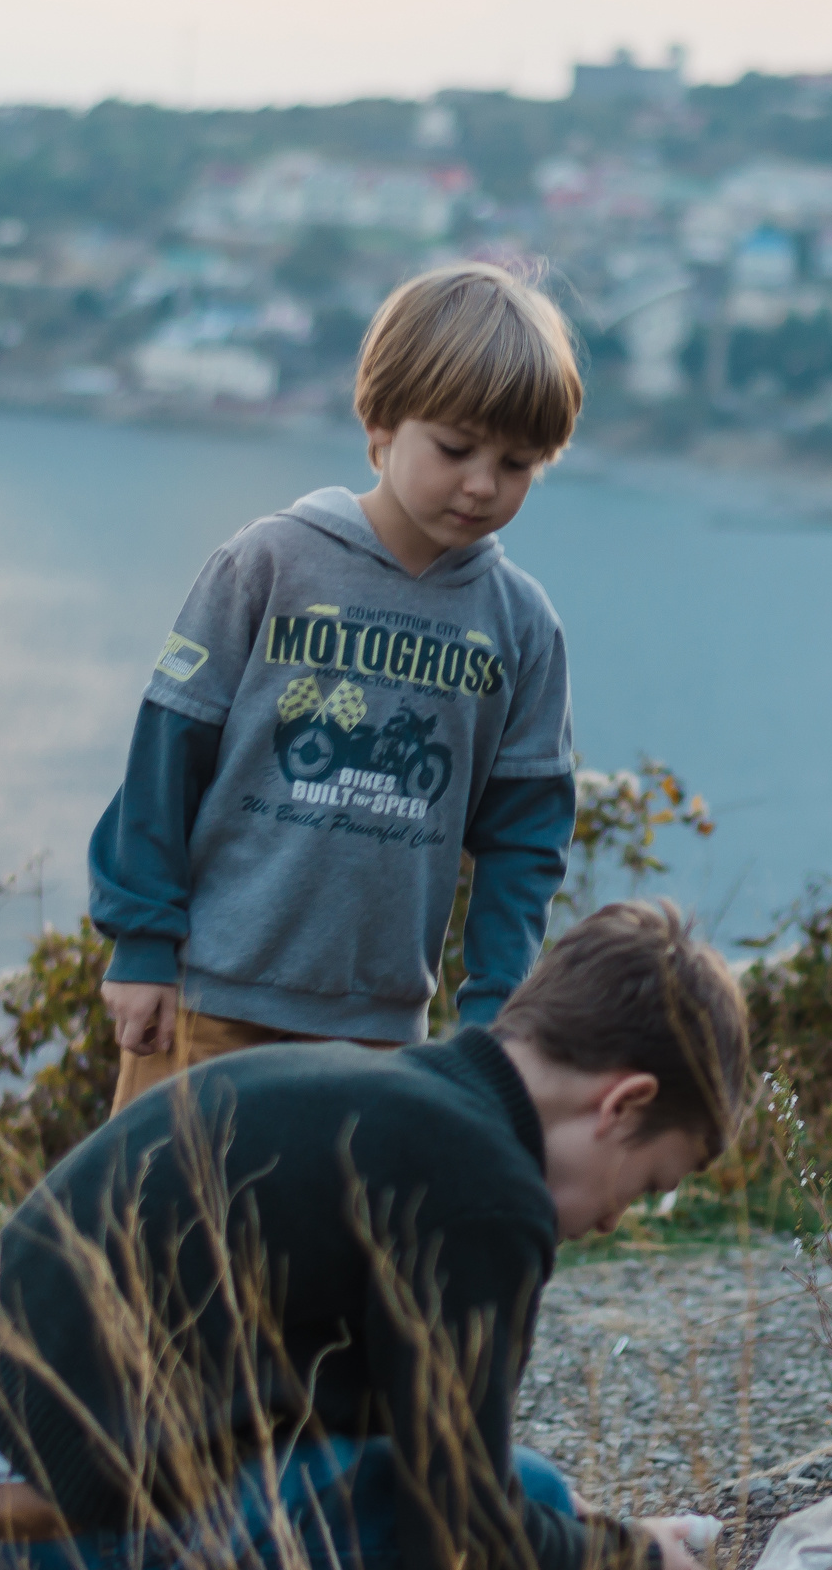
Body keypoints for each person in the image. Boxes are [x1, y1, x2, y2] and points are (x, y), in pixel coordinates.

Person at [0, 899, 747, 1570]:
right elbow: (457, 1540)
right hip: (39, 1517)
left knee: (535, 1490)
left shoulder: (407, 1097)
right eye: (646, 1186)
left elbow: (458, 1469)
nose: (612, 1220)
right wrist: (630, 1556)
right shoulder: (486, 1192)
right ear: (622, 1104)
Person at [91, 261, 583, 1111]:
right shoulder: (269, 564)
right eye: (457, 448)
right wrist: (141, 945)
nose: (481, 484)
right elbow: (167, 753)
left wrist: (496, 1007)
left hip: (379, 1032)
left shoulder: (521, 624)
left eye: (516, 464)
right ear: (382, 422)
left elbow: (525, 838)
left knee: (333, 1244)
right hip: (209, 999)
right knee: (159, 1234)